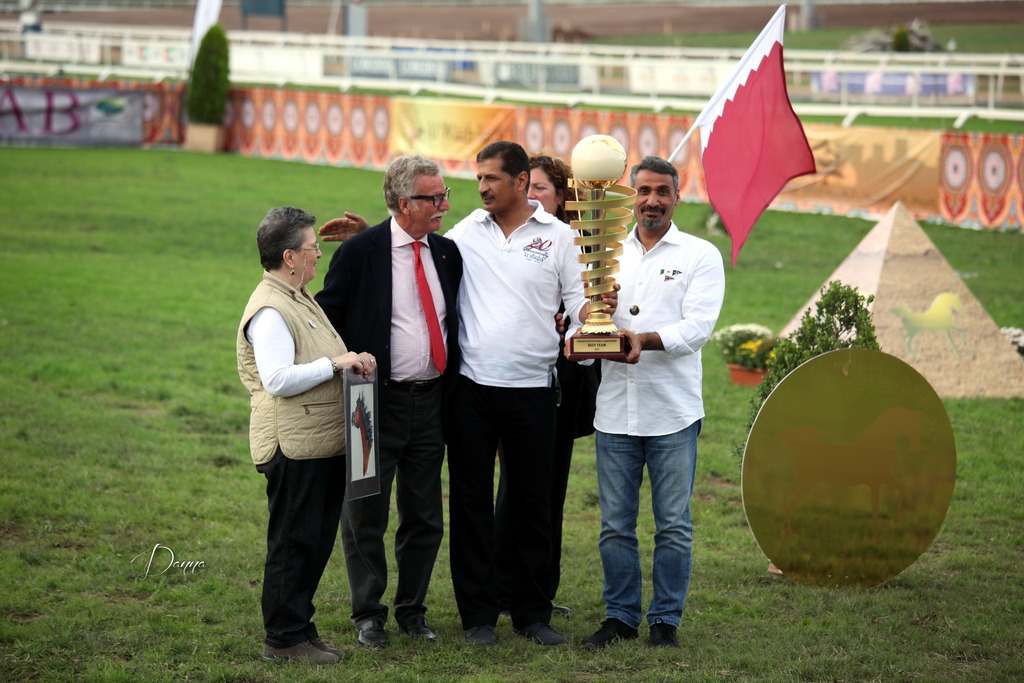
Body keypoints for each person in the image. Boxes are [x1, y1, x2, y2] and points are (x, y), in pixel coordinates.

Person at [445, 141, 613, 647]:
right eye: (478, 178)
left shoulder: (561, 237)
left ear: (521, 182)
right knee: (471, 504)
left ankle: (532, 614)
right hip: (471, 390)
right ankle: (477, 616)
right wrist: (370, 237)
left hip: (535, 391)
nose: (481, 188)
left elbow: (578, 301)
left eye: (492, 178)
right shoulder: (465, 232)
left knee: (533, 506)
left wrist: (596, 315)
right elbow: (418, 257)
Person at [315, 155, 463, 649]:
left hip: (432, 402)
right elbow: (325, 321)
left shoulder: (446, 253)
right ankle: (368, 613)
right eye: (433, 198)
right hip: (370, 405)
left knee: (424, 515)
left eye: (444, 195)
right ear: (404, 204)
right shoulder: (361, 253)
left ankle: (413, 611)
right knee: (365, 511)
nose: (444, 205)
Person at [580, 156, 725, 650]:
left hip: (672, 412)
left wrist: (643, 339)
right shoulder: (605, 252)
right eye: (643, 191)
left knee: (674, 526)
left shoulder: (700, 254)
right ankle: (620, 616)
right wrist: (580, 329)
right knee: (615, 526)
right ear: (632, 195)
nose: (651, 201)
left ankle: (665, 619)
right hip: (616, 411)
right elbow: (585, 320)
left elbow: (698, 327)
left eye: (662, 192)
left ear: (676, 197)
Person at [237, 206, 377, 665]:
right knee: (294, 542)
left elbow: (323, 355)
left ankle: (298, 626)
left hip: (315, 442)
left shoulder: (297, 296)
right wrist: (336, 364)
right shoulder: (271, 308)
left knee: (312, 542)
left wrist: (353, 358)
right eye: (313, 247)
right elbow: (277, 378)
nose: (319, 253)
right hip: (292, 447)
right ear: (289, 257)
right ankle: (282, 639)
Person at [494, 154, 597, 619]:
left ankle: (540, 588)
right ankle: (502, 586)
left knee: (549, 489)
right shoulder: (504, 240)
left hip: (564, 381)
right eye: (527, 187)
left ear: (562, 200)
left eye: (541, 189)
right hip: (514, 381)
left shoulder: (577, 248)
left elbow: (591, 311)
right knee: (513, 487)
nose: (531, 196)